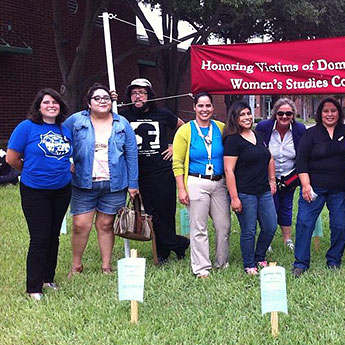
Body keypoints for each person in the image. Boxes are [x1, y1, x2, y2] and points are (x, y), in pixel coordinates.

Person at [63, 83, 139, 276]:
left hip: (114, 184)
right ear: (89, 103)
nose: (102, 101)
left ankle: (106, 266)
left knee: (106, 224)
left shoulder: (122, 124)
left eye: (106, 98)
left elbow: (131, 154)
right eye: (97, 98)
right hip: (83, 182)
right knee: (81, 225)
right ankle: (76, 266)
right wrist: (67, 161)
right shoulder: (76, 121)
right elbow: (60, 139)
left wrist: (133, 184)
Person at [6, 88, 72, 300]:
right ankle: (33, 287)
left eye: (55, 102)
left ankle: (47, 278)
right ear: (39, 106)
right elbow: (11, 158)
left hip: (62, 190)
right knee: (40, 237)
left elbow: (68, 156)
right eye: (46, 102)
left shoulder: (65, 129)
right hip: (35, 191)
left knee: (54, 236)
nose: (51, 105)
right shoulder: (26, 127)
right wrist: (29, 171)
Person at [119, 78, 189, 264]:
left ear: (149, 95)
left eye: (142, 92)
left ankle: (164, 252)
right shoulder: (123, 115)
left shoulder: (162, 113)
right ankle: (178, 243)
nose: (138, 96)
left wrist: (175, 145)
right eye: (134, 93)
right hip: (137, 171)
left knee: (166, 211)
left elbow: (184, 127)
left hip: (162, 171)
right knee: (148, 212)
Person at [172, 92, 230, 278]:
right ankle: (201, 268)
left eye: (208, 106)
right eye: (200, 106)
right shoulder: (185, 130)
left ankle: (222, 262)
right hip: (196, 181)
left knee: (224, 225)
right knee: (199, 227)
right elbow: (178, 162)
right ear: (194, 108)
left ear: (213, 108)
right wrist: (181, 188)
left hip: (219, 182)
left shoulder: (221, 128)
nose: (204, 110)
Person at [292, 98, 345, 277]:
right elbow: (301, 161)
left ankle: (334, 260)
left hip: (340, 189)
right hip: (314, 187)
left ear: (339, 113)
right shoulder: (311, 134)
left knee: (340, 225)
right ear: (320, 114)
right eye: (326, 111)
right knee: (304, 223)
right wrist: (305, 185)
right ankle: (300, 263)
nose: (330, 114)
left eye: (333, 110)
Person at [223, 101, 277, 275]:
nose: (247, 117)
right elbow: (228, 170)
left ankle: (260, 257)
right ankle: (249, 263)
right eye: (242, 115)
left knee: (270, 226)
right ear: (235, 118)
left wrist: (272, 180)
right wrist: (234, 197)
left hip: (264, 191)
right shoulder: (232, 140)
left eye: (248, 113)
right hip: (245, 193)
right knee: (249, 230)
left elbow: (269, 158)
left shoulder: (258, 134)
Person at [256, 98, 306, 251]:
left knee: (286, 206)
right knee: (269, 208)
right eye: (281, 113)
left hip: (290, 176)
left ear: (293, 114)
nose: (284, 116)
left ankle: (287, 239)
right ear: (275, 114)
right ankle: (267, 240)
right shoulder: (264, 127)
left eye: (288, 113)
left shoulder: (299, 129)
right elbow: (257, 150)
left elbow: (303, 154)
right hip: (267, 176)